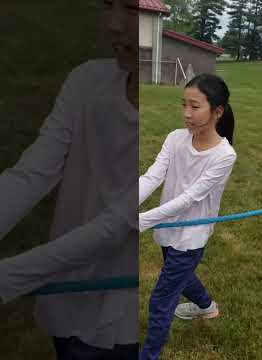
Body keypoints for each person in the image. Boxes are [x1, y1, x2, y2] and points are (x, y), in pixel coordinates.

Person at [0, 1, 139, 358]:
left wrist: (10, 276)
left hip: (126, 319)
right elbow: (31, 174)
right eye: (109, 5)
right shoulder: (87, 81)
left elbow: (118, 224)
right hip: (66, 297)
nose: (113, 24)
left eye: (134, 8)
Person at [138, 74, 237, 359]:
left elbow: (189, 198)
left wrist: (142, 221)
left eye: (195, 107)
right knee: (178, 272)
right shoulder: (175, 138)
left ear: (217, 111)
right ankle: (207, 306)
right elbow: (152, 177)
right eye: (184, 105)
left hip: (191, 236)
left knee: (161, 299)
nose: (186, 114)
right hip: (169, 228)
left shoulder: (224, 156)